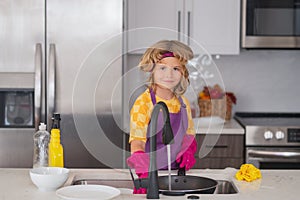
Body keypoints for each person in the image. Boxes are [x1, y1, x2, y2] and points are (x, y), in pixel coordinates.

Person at [127, 40, 197, 194]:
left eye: (176, 68)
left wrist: (188, 150)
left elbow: (189, 135)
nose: (169, 75)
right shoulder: (143, 103)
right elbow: (137, 142)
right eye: (162, 68)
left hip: (177, 176)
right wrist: (144, 170)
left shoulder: (183, 103)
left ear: (183, 73)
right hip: (150, 175)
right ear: (152, 70)